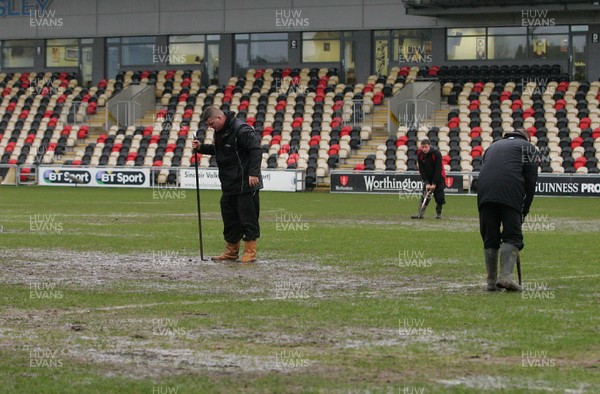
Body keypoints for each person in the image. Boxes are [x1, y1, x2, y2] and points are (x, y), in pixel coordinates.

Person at [192, 106, 263, 263]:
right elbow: (221, 150)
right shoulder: (220, 132)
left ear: (219, 118)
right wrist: (201, 148)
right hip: (229, 184)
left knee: (248, 218)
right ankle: (231, 252)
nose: (210, 127)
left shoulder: (241, 129)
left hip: (245, 183)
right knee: (230, 219)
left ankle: (250, 252)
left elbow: (256, 150)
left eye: (211, 124)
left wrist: (254, 173)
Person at [477, 128, 539, 291]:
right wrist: (524, 211)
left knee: (490, 236)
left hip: (484, 192)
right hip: (510, 192)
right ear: (528, 139)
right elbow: (531, 183)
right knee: (512, 236)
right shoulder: (528, 148)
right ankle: (505, 277)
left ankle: (491, 282)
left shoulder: (493, 146)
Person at [411, 139, 445, 219]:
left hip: (439, 178)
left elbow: (438, 169)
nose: (424, 149)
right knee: (424, 197)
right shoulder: (420, 155)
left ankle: (438, 214)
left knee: (439, 198)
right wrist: (426, 183)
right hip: (428, 178)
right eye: (422, 147)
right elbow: (421, 171)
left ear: (429, 146)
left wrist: (434, 183)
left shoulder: (437, 154)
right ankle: (420, 214)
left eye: (426, 147)